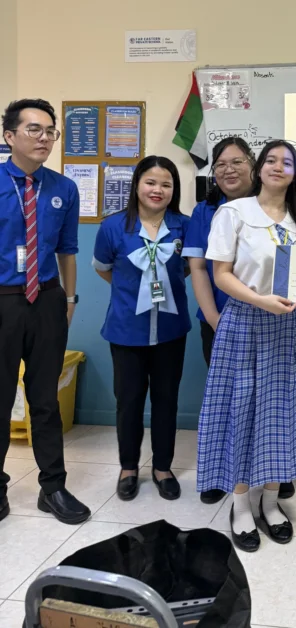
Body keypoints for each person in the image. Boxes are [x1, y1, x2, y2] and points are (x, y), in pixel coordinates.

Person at [198, 140, 296, 553]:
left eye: (287, 162)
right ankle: (240, 506)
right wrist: (259, 300)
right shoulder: (234, 212)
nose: (277, 167)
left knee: (282, 413)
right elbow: (221, 274)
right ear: (259, 168)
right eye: (270, 160)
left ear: (295, 173)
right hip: (244, 323)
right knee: (241, 412)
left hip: (289, 327)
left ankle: (270, 503)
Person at [0, 99, 90, 525]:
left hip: (48, 299)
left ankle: (53, 487)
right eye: (33, 129)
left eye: (50, 131)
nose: (44, 138)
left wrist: (69, 300)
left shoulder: (63, 188)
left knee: (45, 401)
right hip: (3, 300)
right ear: (9, 136)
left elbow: (68, 251)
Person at [93, 156, 192, 503]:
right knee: (129, 401)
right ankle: (129, 468)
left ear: (174, 190)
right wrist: (132, 292)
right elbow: (103, 267)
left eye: (166, 184)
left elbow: (188, 269)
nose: (157, 190)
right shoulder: (113, 226)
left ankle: (162, 468)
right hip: (126, 330)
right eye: (150, 182)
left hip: (170, 330)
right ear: (137, 184)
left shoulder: (184, 226)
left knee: (166, 400)